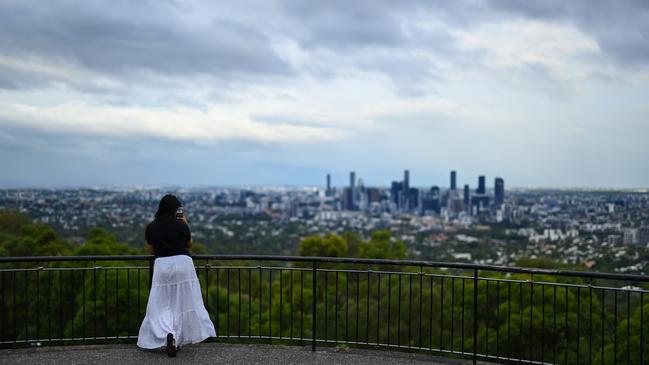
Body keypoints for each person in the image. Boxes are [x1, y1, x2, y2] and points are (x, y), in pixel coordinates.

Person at [137, 194, 215, 357]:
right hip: (183, 264)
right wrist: (185, 223)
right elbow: (189, 244)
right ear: (174, 210)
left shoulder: (151, 227)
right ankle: (177, 336)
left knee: (161, 304)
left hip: (162, 266)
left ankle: (169, 334)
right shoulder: (180, 225)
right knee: (183, 303)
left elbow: (151, 250)